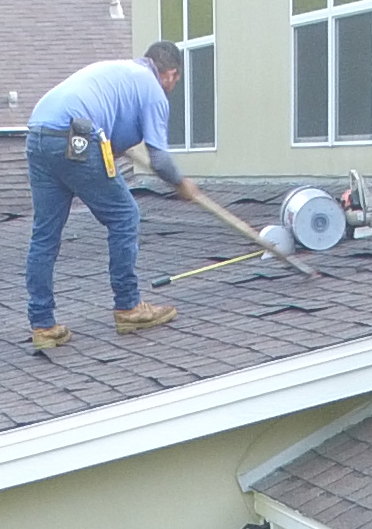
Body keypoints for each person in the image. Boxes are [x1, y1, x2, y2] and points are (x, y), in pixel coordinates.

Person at [23, 43, 253, 351]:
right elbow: (158, 159)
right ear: (171, 73)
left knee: (45, 234)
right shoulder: (153, 90)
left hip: (38, 132)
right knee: (124, 216)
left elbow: (113, 142)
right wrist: (181, 182)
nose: (173, 85)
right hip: (77, 134)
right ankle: (129, 307)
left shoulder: (122, 74)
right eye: (175, 80)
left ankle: (43, 325)